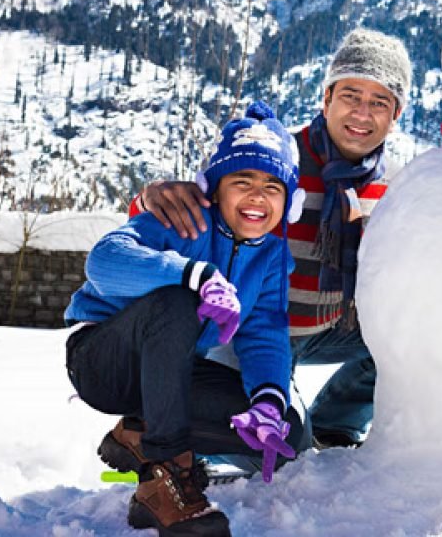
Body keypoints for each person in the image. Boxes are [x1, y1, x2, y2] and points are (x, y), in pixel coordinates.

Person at [135, 29, 412, 449]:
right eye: (350, 95)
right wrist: (149, 200)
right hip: (252, 332)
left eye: (379, 102)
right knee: (279, 445)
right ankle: (162, 438)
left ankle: (336, 425)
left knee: (411, 338)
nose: (361, 113)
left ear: (396, 116)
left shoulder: (393, 184)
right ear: (326, 99)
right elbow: (184, 215)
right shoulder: (276, 159)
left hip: (328, 328)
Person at [65, 101, 304, 536]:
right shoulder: (183, 221)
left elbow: (264, 335)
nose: (256, 195)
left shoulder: (271, 257)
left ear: (289, 202)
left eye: (272, 185)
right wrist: (192, 273)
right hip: (103, 360)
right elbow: (104, 260)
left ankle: (138, 434)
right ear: (214, 190)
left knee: (284, 428)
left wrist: (267, 403)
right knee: (178, 302)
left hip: (170, 373)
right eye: (242, 181)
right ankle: (166, 477)